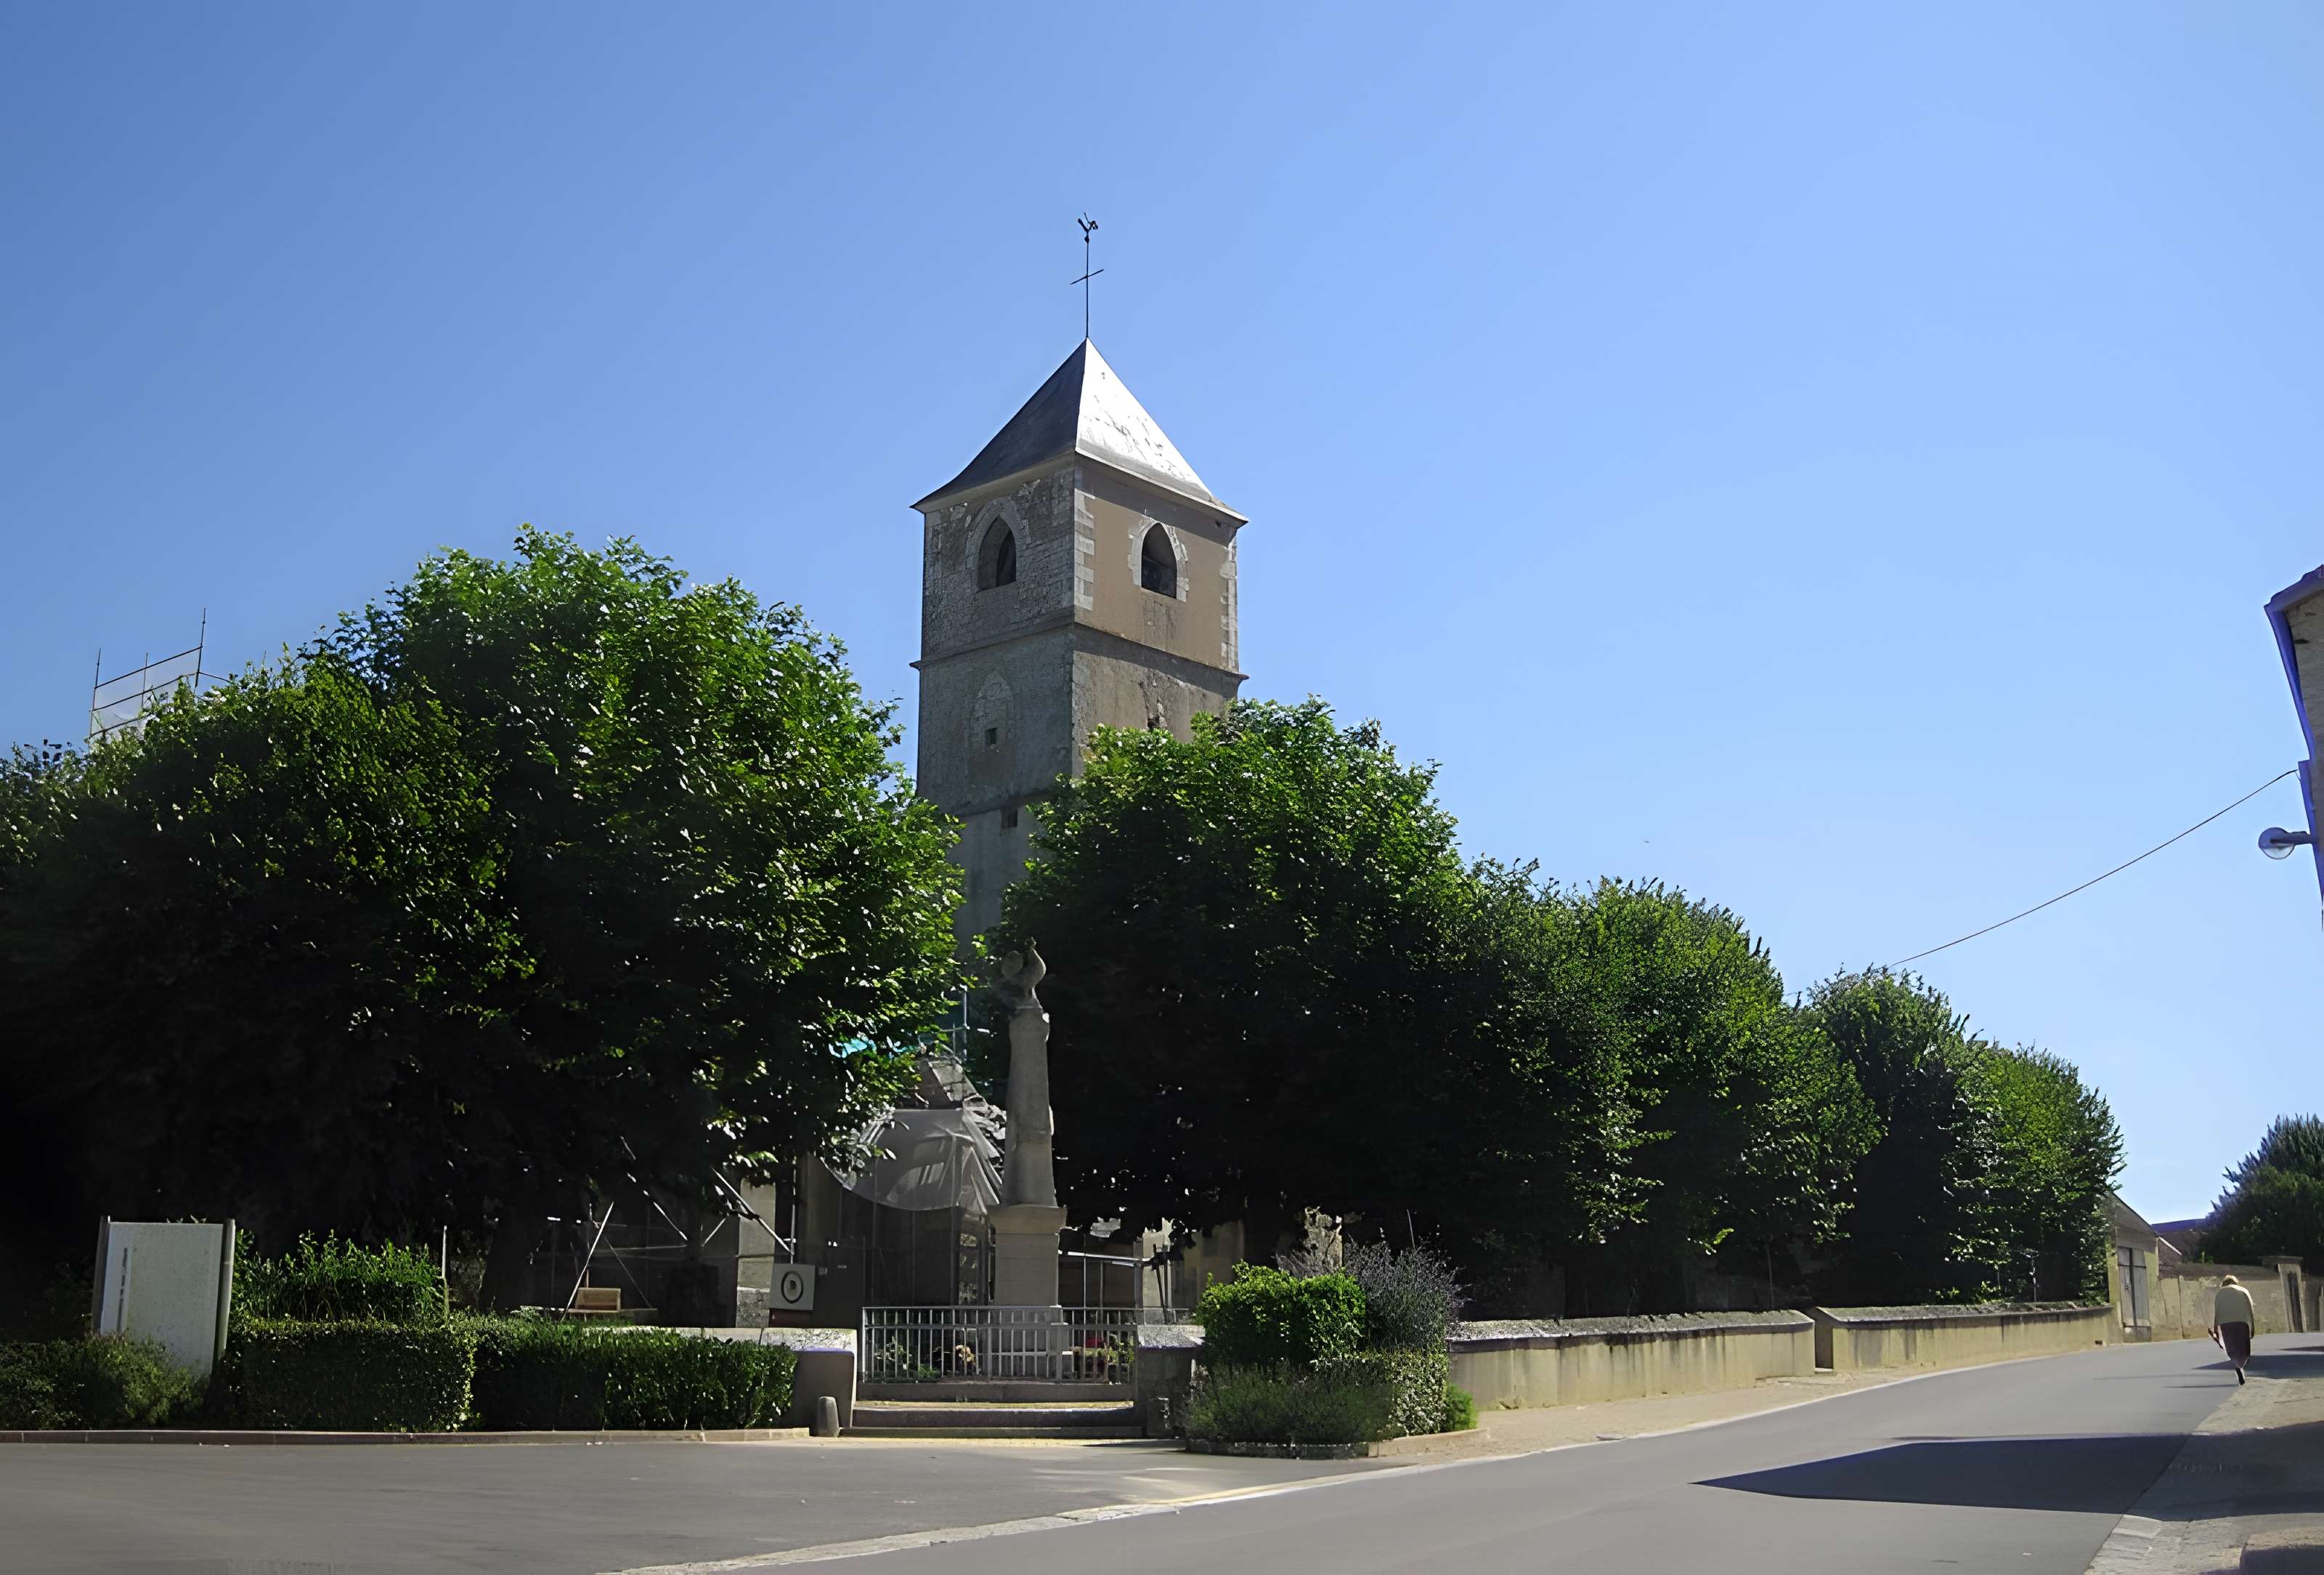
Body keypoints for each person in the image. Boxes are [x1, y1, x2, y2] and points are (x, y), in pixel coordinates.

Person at [2211, 1274, 2256, 1383]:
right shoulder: (2243, 1291)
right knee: (2244, 1350)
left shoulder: (2220, 1293)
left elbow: (2217, 1311)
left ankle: (2237, 1366)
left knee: (2231, 1348)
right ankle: (2240, 1365)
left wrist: (2216, 1328)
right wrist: (2253, 1327)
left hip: (2226, 1324)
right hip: (2242, 1323)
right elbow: (2250, 1310)